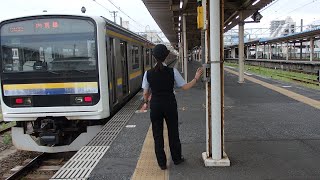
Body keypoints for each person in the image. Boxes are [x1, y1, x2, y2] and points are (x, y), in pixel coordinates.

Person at [141, 44, 203, 170]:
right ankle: (176, 158)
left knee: (157, 134)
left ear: (154, 57)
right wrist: (196, 78)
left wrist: (146, 102)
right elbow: (185, 87)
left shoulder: (148, 74)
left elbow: (145, 93)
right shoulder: (172, 71)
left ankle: (162, 163)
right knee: (173, 133)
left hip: (156, 106)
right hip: (170, 105)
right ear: (165, 57)